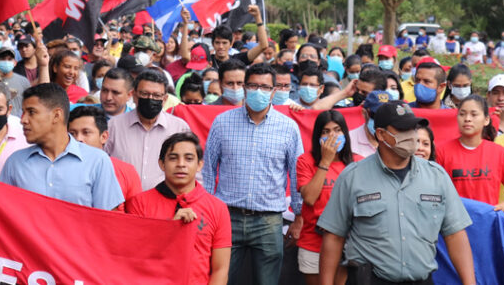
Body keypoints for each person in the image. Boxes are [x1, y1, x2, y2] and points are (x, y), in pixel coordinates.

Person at [317, 102, 475, 285]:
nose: (410, 136)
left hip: (421, 280)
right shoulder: (353, 177)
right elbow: (334, 237)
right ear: (381, 134)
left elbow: (455, 234)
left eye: (412, 128)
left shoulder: (436, 176)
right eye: (402, 129)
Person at [201, 63, 304, 285]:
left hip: (269, 221)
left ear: (274, 91)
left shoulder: (289, 128)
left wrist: (299, 216)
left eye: (265, 87)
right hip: (227, 217)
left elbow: (297, 175)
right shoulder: (222, 123)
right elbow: (208, 171)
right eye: (253, 86)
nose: (259, 92)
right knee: (221, 279)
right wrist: (206, 212)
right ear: (245, 88)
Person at [126, 132, 231, 285]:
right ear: (162, 164)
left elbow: (220, 269)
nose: (181, 164)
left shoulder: (217, 208)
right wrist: (169, 229)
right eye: (173, 158)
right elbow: (133, 257)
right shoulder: (138, 204)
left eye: (189, 159)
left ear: (200, 164)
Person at [0, 83, 124, 209]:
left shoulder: (97, 161)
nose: (23, 120)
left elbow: (108, 219)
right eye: (23, 112)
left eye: (32, 112)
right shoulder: (15, 163)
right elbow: (2, 213)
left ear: (56, 115)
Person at [296, 110, 361, 284]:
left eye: (337, 130)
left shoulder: (358, 163)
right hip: (313, 243)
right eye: (326, 131)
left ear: (345, 133)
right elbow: (309, 198)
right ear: (318, 135)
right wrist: (325, 162)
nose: (332, 136)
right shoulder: (306, 161)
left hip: (347, 243)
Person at [104, 68, 191, 189]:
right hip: (121, 201)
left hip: (164, 202)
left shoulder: (179, 128)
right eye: (144, 94)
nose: (150, 99)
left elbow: (191, 169)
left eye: (156, 95)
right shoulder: (114, 126)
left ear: (164, 99)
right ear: (134, 96)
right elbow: (100, 164)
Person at [435, 95, 504, 211]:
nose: (467, 119)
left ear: (487, 120)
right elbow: (432, 193)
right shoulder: (441, 151)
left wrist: (499, 208)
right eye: (462, 114)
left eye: (474, 114)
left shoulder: (498, 152)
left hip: (487, 223)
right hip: (453, 225)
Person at [68, 106, 142, 207]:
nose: (78, 139)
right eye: (72, 134)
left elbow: (135, 214)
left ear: (104, 137)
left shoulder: (126, 171)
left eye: (86, 132)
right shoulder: (61, 167)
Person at [210, 5, 268, 70]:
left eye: (224, 43)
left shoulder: (238, 60)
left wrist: (257, 17)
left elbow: (263, 46)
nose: (221, 46)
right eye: (217, 43)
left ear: (231, 44)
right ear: (213, 44)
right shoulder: (207, 60)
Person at [0, 47, 31, 116]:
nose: (6, 61)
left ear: (15, 62)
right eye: (2, 59)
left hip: (18, 122)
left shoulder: (23, 81)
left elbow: (29, 103)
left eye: (9, 59)